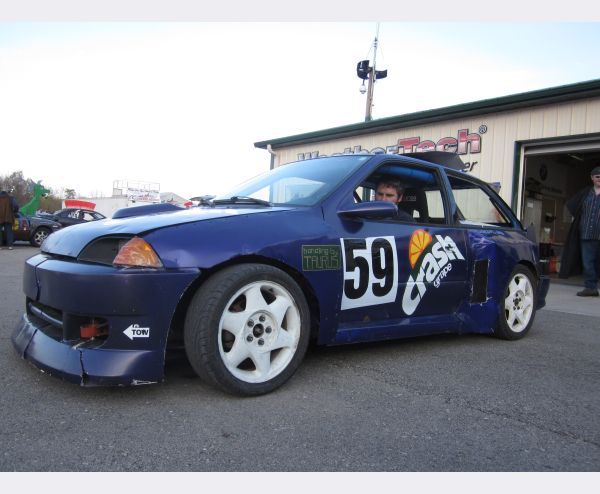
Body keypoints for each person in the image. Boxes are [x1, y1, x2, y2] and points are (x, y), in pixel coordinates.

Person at [559, 165, 600, 297]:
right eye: (597, 176)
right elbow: (572, 205)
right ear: (592, 178)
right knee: (588, 262)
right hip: (586, 235)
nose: (599, 178)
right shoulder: (585, 193)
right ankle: (591, 288)